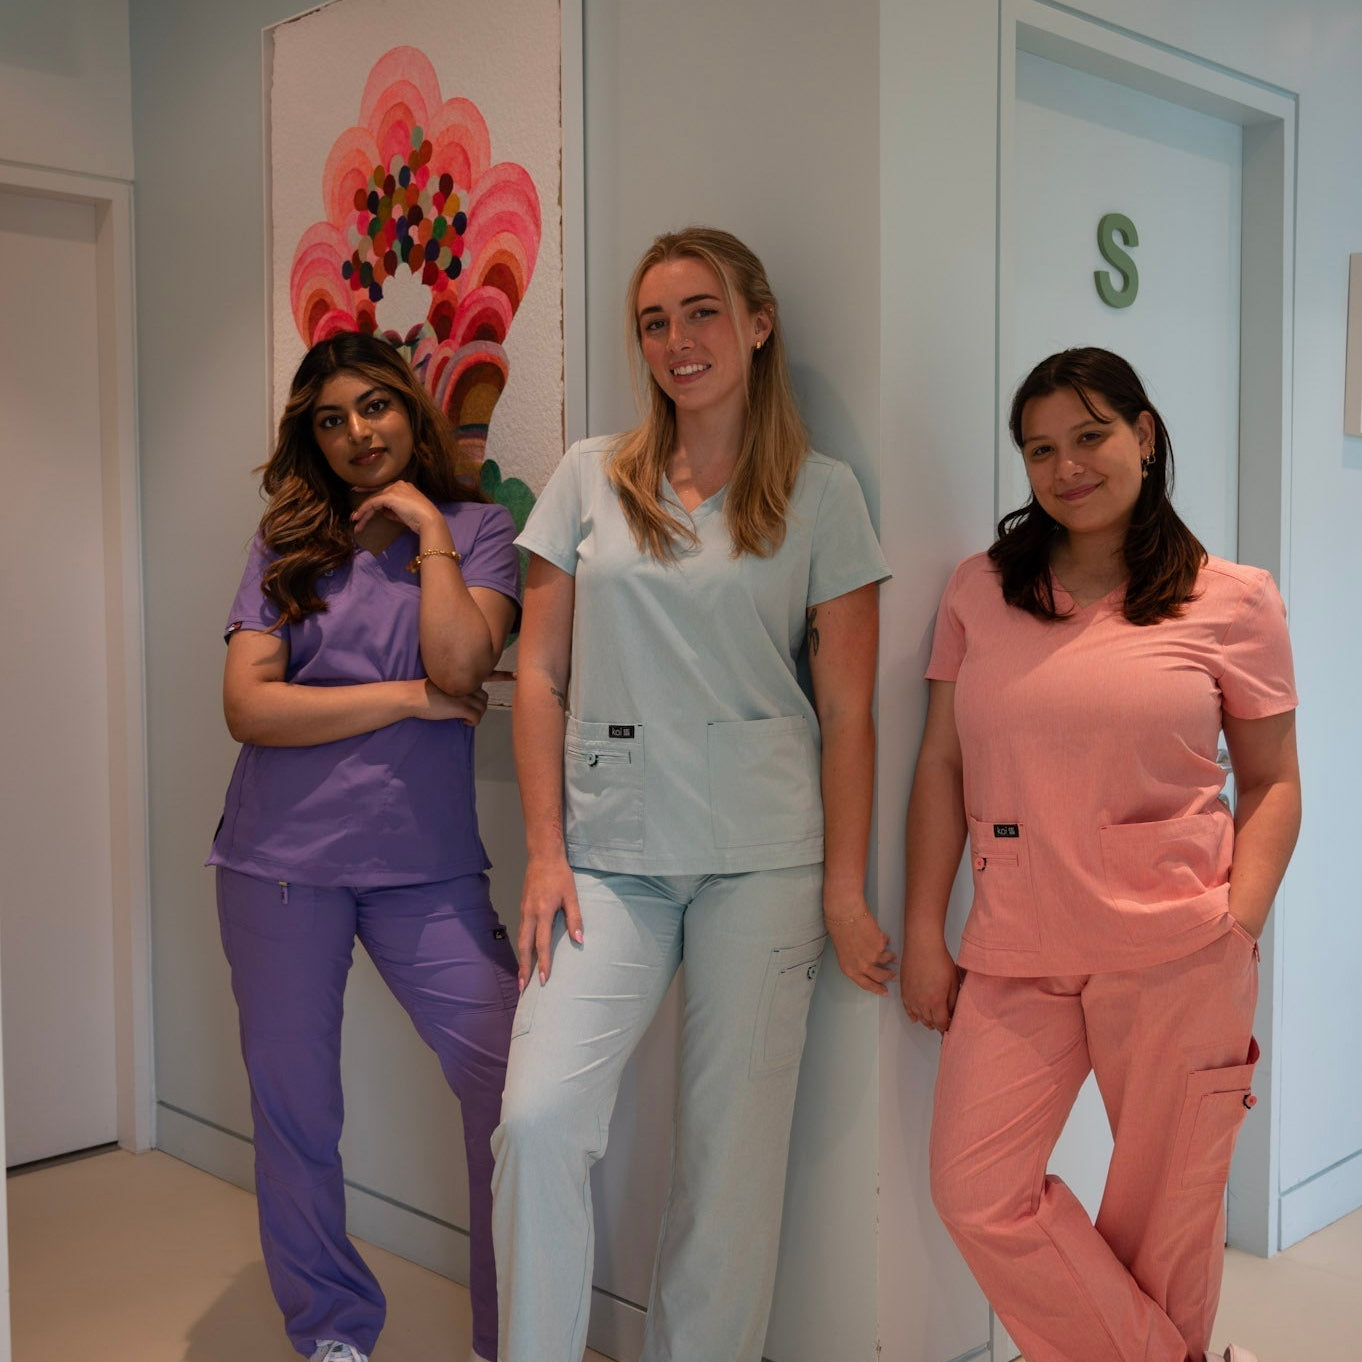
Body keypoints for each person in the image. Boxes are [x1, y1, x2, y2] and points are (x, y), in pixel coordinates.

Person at [490, 226, 893, 1361]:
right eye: (656, 321)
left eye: (702, 312)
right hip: (608, 853)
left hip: (762, 857)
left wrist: (848, 891)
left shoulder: (822, 497)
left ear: (757, 324)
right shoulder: (586, 475)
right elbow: (539, 671)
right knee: (537, 1122)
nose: (679, 341)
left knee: (727, 1168)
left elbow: (851, 712)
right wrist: (542, 849)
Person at [901, 347, 1300, 1362]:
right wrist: (919, 930)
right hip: (1016, 949)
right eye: (1041, 449)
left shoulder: (1233, 599)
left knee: (1163, 1230)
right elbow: (941, 763)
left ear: (1144, 436)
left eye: (1090, 436)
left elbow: (1274, 783)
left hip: (1179, 951)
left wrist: (1236, 920)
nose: (1067, 466)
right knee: (977, 1192)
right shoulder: (980, 591)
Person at [207, 332, 521, 1362]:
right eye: (331, 419)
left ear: (413, 407)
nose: (356, 434)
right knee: (298, 1114)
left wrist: (430, 526)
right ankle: (333, 1334)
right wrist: (409, 703)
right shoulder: (285, 541)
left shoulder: (479, 530)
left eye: (375, 407)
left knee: (518, 1091)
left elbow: (463, 657)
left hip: (426, 867)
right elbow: (249, 709)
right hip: (278, 865)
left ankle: (508, 1334)